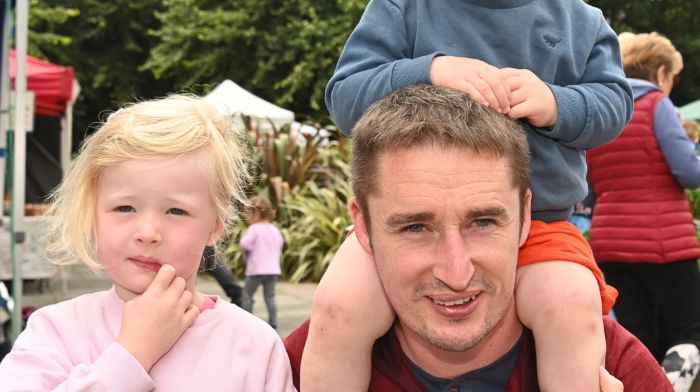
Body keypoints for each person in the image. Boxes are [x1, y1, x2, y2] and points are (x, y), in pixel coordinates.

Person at [306, 1, 633, 391]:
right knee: (339, 306)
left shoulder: (581, 18)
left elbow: (615, 102)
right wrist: (427, 71)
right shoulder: (402, 7)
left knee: (571, 305)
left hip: (542, 222)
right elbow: (345, 96)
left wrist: (556, 103)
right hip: (413, 224)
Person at [285, 85, 670, 391]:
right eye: (415, 227)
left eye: (482, 222)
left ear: (524, 218)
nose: (456, 272)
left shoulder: (611, 364)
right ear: (363, 228)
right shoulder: (288, 371)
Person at [0, 95, 295, 391]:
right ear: (93, 214)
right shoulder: (55, 332)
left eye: (176, 211)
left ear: (215, 226)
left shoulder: (255, 346)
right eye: (125, 208)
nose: (148, 232)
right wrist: (131, 355)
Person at [586, 32, 700, 392]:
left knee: (637, 340)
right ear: (662, 71)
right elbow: (688, 171)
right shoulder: (656, 104)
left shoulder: (602, 109)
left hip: (609, 240)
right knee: (689, 331)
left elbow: (587, 185)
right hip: (663, 241)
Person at [240, 195, 284, 330]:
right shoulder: (274, 229)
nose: (247, 217)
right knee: (270, 297)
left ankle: (247, 320)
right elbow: (280, 244)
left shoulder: (254, 229)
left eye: (248, 213)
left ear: (257, 213)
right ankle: (273, 321)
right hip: (272, 270)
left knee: (246, 294)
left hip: (256, 271)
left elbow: (245, 243)